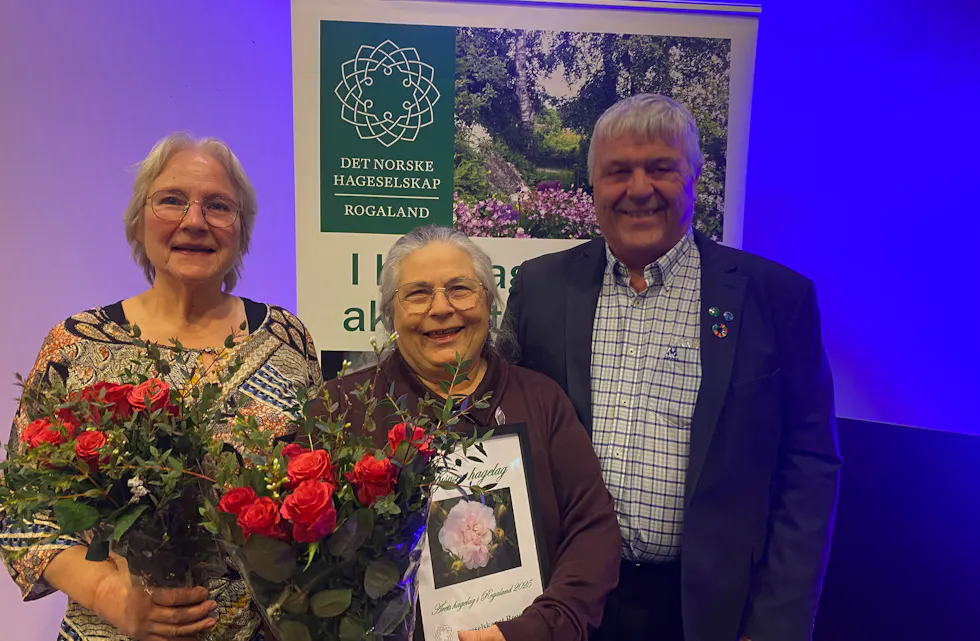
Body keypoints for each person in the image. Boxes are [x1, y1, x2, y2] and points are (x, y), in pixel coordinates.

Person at [503, 94, 842, 641]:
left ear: (693, 175)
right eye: (618, 172)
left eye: (661, 168)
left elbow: (809, 467)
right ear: (593, 183)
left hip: (708, 611)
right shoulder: (540, 287)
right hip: (564, 602)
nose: (639, 189)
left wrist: (778, 625)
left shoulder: (777, 298)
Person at [0, 133, 322, 641]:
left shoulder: (286, 339)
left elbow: (315, 494)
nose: (195, 221)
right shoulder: (74, 345)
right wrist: (109, 595)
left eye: (218, 206)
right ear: (138, 220)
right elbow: (18, 509)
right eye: (172, 199)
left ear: (241, 229)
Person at [316, 225, 621, 641]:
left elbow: (593, 531)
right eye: (418, 293)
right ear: (390, 314)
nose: (441, 309)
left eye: (460, 288)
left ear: (490, 303)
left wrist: (538, 629)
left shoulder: (542, 400)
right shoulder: (340, 411)